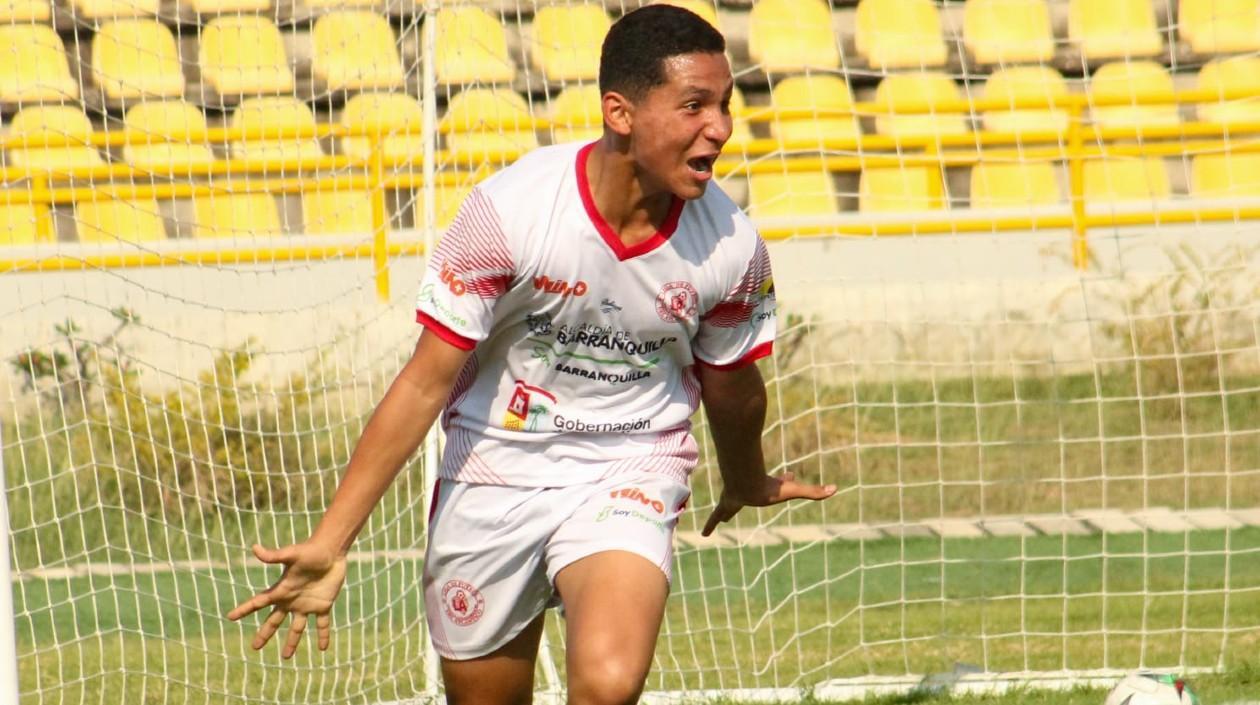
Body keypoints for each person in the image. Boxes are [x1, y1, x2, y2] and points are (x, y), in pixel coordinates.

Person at [226, 6, 837, 704]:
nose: (721, 128)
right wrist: (332, 540)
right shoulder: (511, 213)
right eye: (694, 105)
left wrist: (747, 476)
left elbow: (733, 385)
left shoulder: (731, 246)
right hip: (494, 463)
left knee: (608, 683)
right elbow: (427, 381)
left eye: (725, 105)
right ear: (620, 112)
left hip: (628, 464)